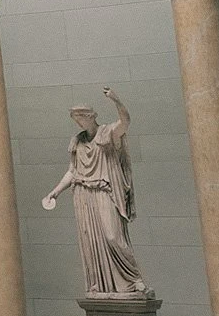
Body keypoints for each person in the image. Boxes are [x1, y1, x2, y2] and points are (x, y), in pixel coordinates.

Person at [41, 87, 151, 297]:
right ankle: (101, 286)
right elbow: (73, 171)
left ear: (92, 117)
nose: (79, 122)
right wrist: (55, 192)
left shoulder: (107, 133)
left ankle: (133, 279)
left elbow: (125, 123)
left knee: (112, 236)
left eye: (81, 118)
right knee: (92, 244)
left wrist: (117, 101)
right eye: (76, 119)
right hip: (83, 196)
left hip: (105, 192)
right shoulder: (77, 141)